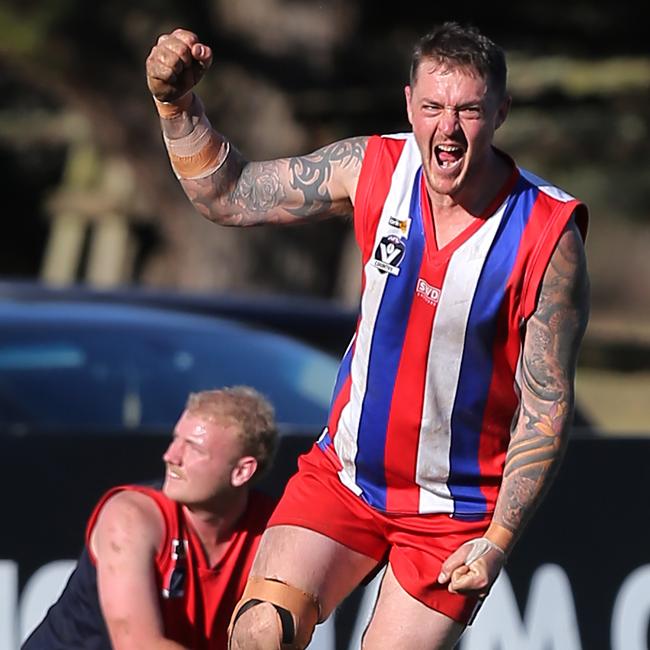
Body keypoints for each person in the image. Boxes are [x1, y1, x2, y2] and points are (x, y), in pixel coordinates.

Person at [144, 21, 590, 649]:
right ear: (409, 104)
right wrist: (176, 105)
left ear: (501, 113)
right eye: (432, 108)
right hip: (345, 478)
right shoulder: (372, 167)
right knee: (261, 632)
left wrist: (497, 542)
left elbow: (546, 408)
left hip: (453, 514)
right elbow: (231, 194)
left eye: (468, 111)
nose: (448, 129)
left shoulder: (548, 234)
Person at [23, 387, 279, 650]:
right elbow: (138, 645)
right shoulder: (130, 516)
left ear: (241, 471)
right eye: (176, 439)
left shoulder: (274, 529)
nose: (171, 456)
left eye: (194, 448)